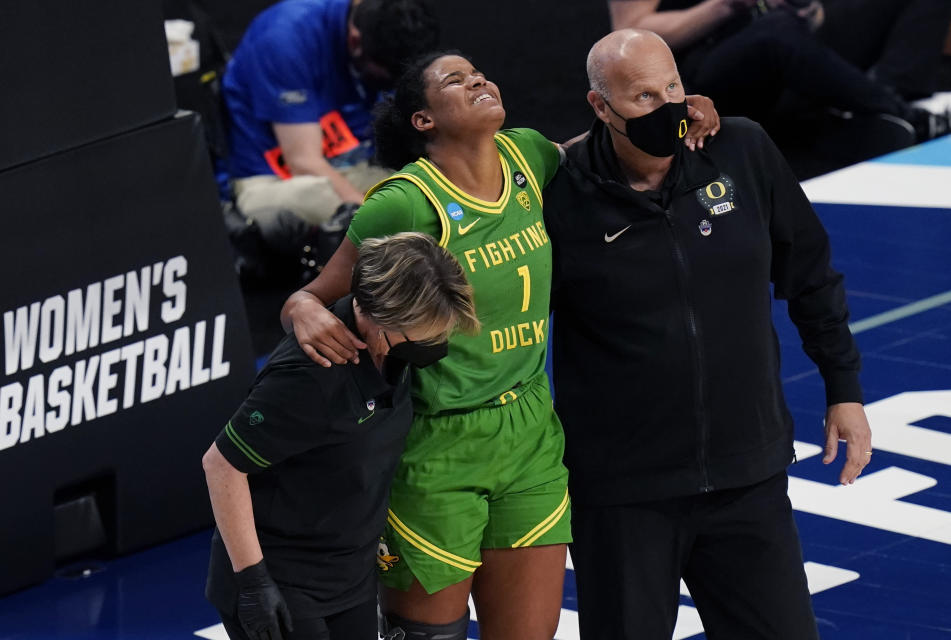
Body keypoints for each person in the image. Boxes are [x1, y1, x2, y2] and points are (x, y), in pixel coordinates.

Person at [280, 50, 719, 638]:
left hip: (530, 431)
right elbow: (313, 294)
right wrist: (302, 310)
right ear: (424, 121)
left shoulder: (527, 153)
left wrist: (680, 113)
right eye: (455, 81)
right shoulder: (406, 202)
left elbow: (607, 145)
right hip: (438, 445)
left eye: (480, 72)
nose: (479, 79)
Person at [541, 29, 873, 638]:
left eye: (672, 86)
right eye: (642, 96)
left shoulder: (740, 149)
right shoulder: (558, 192)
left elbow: (811, 274)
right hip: (624, 493)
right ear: (599, 107)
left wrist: (843, 389)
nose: (665, 106)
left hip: (747, 476)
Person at [202, 232, 479, 640]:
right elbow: (221, 464)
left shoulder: (390, 353)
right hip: (285, 583)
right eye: (420, 336)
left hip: (350, 578)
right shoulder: (311, 377)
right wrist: (253, 582)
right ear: (375, 318)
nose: (430, 347)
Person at [221, 0, 439, 235]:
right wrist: (369, 216)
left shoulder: (379, 38)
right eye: (386, 78)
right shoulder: (285, 39)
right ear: (356, 41)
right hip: (275, 180)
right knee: (366, 219)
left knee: (427, 193)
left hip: (349, 165)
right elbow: (303, 162)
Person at [607, 0, 951, 142]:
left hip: (780, 40)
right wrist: (723, 6)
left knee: (784, 26)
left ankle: (880, 93)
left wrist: (806, 11)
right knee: (775, 33)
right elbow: (631, 31)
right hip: (698, 69)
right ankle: (900, 112)